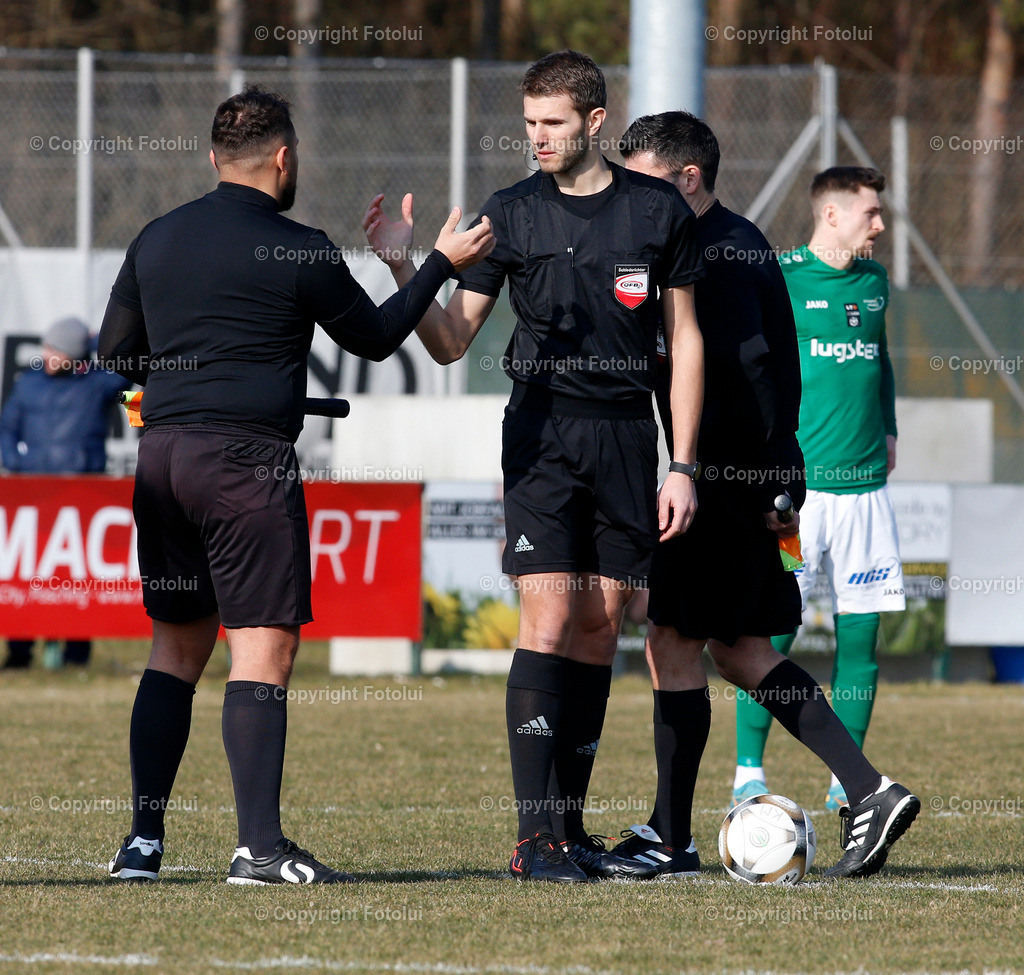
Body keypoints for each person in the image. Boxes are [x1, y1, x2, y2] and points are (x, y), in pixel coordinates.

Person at [98, 84, 493, 884]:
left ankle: (142, 843)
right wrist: (438, 265)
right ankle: (258, 847)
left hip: (164, 458)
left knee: (175, 647)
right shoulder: (299, 246)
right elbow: (377, 337)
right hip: (244, 464)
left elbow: (116, 354)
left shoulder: (156, 237)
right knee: (263, 648)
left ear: (212, 158)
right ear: (284, 159)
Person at [363, 51, 705, 883]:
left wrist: (684, 463)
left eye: (553, 123)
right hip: (542, 438)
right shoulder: (509, 213)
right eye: (529, 123)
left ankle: (570, 828)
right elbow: (451, 343)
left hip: (629, 439)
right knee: (547, 621)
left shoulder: (657, 210)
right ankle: (533, 837)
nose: (538, 137)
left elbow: (685, 340)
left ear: (596, 121)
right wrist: (407, 265)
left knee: (599, 627)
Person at [619, 114, 918, 879]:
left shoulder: (716, 251)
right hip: (758, 480)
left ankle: (670, 837)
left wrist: (722, 472)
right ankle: (870, 789)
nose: (630, 195)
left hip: (724, 481)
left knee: (673, 639)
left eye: (644, 180)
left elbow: (751, 369)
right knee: (741, 647)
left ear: (688, 178)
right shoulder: (734, 241)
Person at [733, 166, 906, 813]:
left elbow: (880, 361)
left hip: (867, 497)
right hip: (797, 501)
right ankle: (747, 772)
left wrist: (888, 427)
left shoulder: (875, 281)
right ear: (831, 215)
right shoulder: (781, 276)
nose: (880, 224)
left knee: (860, 637)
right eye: (870, 213)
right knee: (772, 633)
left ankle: (849, 784)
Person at [0, 316, 124, 669]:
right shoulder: (29, 383)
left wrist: (94, 340)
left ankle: (75, 655)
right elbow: (7, 428)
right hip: (34, 497)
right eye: (47, 348)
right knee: (26, 576)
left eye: (56, 349)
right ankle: (19, 653)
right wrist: (15, 463)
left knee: (77, 580)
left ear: (74, 354)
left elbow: (125, 369)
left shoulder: (97, 383)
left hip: (81, 499)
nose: (47, 355)